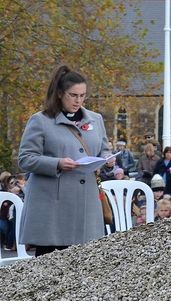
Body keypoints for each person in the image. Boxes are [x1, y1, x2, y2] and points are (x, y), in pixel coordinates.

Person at [16, 66, 114, 256]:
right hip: (53, 207)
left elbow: (103, 149)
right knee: (48, 268)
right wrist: (57, 163)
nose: (78, 100)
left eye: (83, 95)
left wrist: (107, 160)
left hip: (87, 205)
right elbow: (25, 159)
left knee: (85, 267)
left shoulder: (96, 119)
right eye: (73, 95)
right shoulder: (40, 121)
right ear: (60, 94)